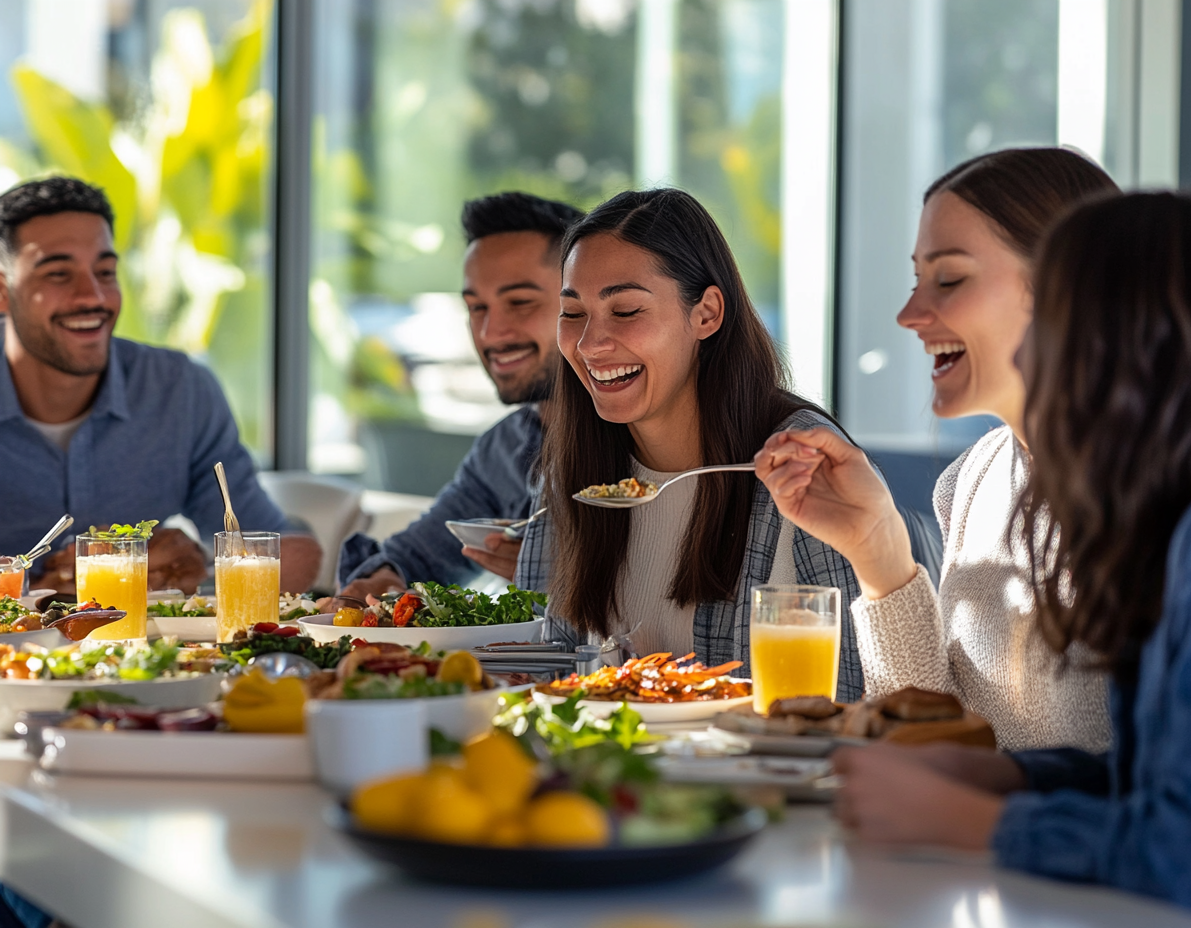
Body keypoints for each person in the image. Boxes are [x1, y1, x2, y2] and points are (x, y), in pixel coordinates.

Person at [829, 188, 1191, 921]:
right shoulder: (1173, 513)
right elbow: (1163, 781)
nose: (1030, 350)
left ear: (1132, 346)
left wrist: (970, 823)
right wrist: (1015, 778)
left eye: (1055, 322)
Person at [755, 148, 1118, 749]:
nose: (909, 314)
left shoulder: (1170, 489)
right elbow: (938, 737)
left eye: (948, 279)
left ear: (1064, 286)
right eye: (916, 280)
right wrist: (879, 552)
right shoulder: (972, 481)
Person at [514, 188, 867, 699]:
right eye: (573, 314)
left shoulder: (803, 464)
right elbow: (540, 668)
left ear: (706, 314)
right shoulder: (571, 469)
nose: (590, 343)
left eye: (626, 310)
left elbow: (858, 694)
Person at [0, 176, 320, 594]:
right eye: (59, 273)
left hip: (136, 656)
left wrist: (195, 569)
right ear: (4, 292)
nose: (92, 296)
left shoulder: (178, 391)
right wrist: (42, 585)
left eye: (105, 271)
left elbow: (290, 555)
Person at [328, 193, 583, 604]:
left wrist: (560, 572)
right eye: (476, 307)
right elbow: (420, 555)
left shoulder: (650, 437)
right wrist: (379, 583)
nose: (489, 333)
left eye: (519, 302)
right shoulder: (504, 449)